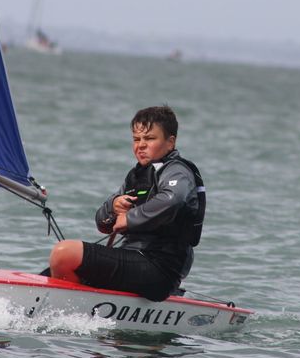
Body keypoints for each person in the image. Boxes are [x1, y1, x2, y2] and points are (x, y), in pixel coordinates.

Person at [48, 105, 204, 302]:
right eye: (136, 139)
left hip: (160, 268)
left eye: (150, 138)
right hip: (132, 258)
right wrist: (114, 207)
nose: (141, 145)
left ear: (170, 142)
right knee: (49, 272)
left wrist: (129, 218)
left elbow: (173, 199)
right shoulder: (136, 176)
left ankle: (71, 311)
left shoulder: (177, 171)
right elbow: (102, 223)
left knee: (63, 254)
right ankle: (71, 312)